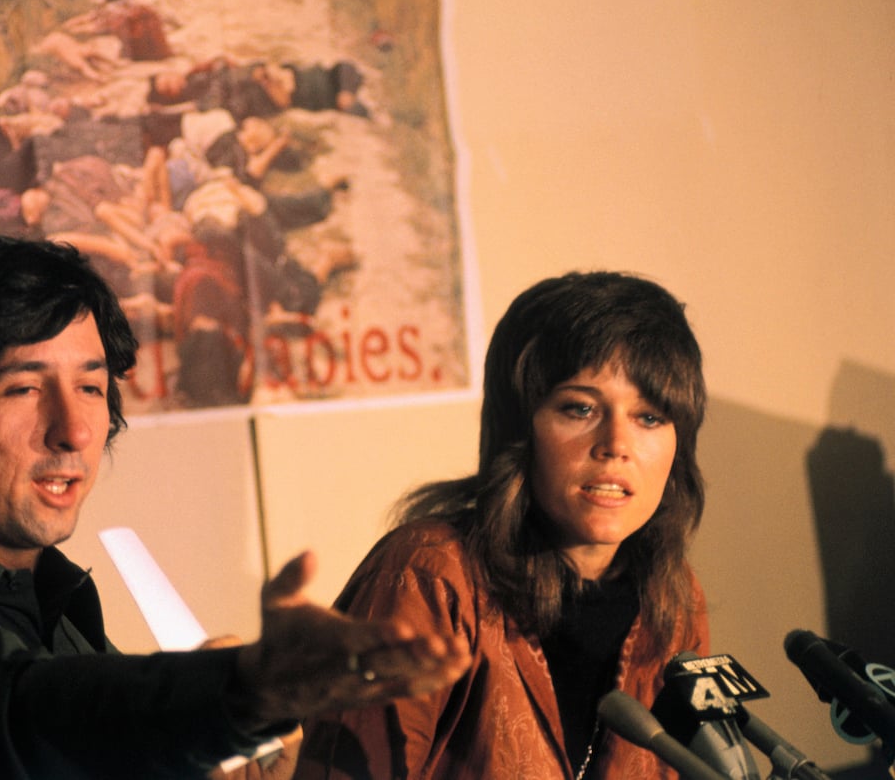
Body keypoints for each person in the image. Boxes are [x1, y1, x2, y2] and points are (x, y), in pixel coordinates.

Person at [0, 235, 470, 779]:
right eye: (23, 387)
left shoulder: (58, 612)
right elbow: (21, 719)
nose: (77, 430)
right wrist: (244, 692)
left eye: (91, 386)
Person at [294, 271, 711, 779]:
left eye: (650, 417)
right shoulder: (430, 575)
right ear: (520, 428)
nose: (616, 444)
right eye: (580, 408)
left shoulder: (673, 598)